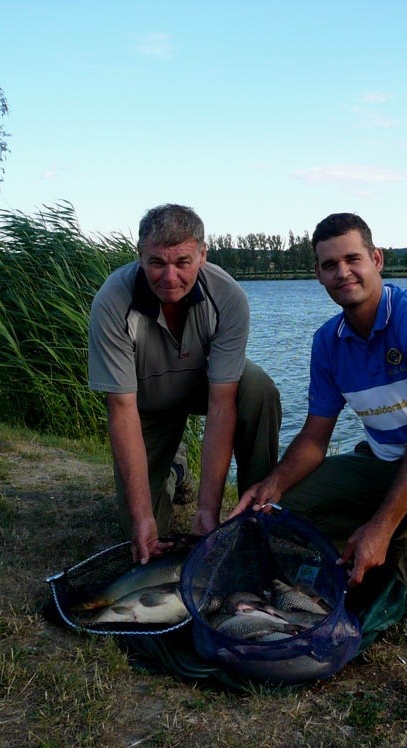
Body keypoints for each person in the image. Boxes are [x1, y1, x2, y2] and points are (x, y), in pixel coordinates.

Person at [230, 212, 407, 653]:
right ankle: (401, 536)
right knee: (287, 510)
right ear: (317, 275)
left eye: (352, 258)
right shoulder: (328, 342)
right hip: (392, 465)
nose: (342, 272)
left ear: (376, 259)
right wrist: (271, 486)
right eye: (328, 265)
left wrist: (381, 523)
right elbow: (314, 438)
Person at [89, 203, 281, 565]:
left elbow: (223, 404)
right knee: (144, 534)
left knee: (258, 388)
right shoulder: (112, 301)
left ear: (203, 255)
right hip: (145, 403)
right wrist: (143, 516)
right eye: (157, 262)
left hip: (203, 387)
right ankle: (174, 469)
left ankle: (254, 516)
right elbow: (122, 409)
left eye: (183, 262)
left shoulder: (228, 297)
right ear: (140, 256)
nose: (169, 276)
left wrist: (207, 511)